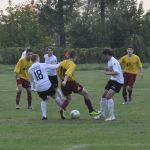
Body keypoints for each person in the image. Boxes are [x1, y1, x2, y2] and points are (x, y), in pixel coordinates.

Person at [57, 51, 99, 118]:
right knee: (85, 93)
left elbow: (57, 70)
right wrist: (65, 81)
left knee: (68, 98)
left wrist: (63, 81)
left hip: (63, 84)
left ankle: (62, 109)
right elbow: (68, 73)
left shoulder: (62, 62)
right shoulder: (72, 64)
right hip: (70, 83)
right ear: (75, 57)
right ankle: (91, 111)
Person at [28, 54, 64, 120]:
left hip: (39, 88)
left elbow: (31, 80)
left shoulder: (30, 69)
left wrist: (32, 88)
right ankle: (63, 107)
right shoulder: (42, 64)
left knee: (44, 100)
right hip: (47, 85)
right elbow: (54, 67)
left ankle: (44, 116)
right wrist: (61, 63)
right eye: (38, 58)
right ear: (37, 59)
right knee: (55, 96)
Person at [94, 48, 124, 121]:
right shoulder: (109, 61)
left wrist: (107, 73)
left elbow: (117, 72)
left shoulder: (114, 61)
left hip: (118, 81)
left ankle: (112, 116)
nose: (103, 57)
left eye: (103, 55)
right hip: (112, 80)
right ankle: (102, 114)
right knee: (103, 95)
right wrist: (107, 69)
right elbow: (112, 70)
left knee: (108, 96)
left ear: (107, 54)